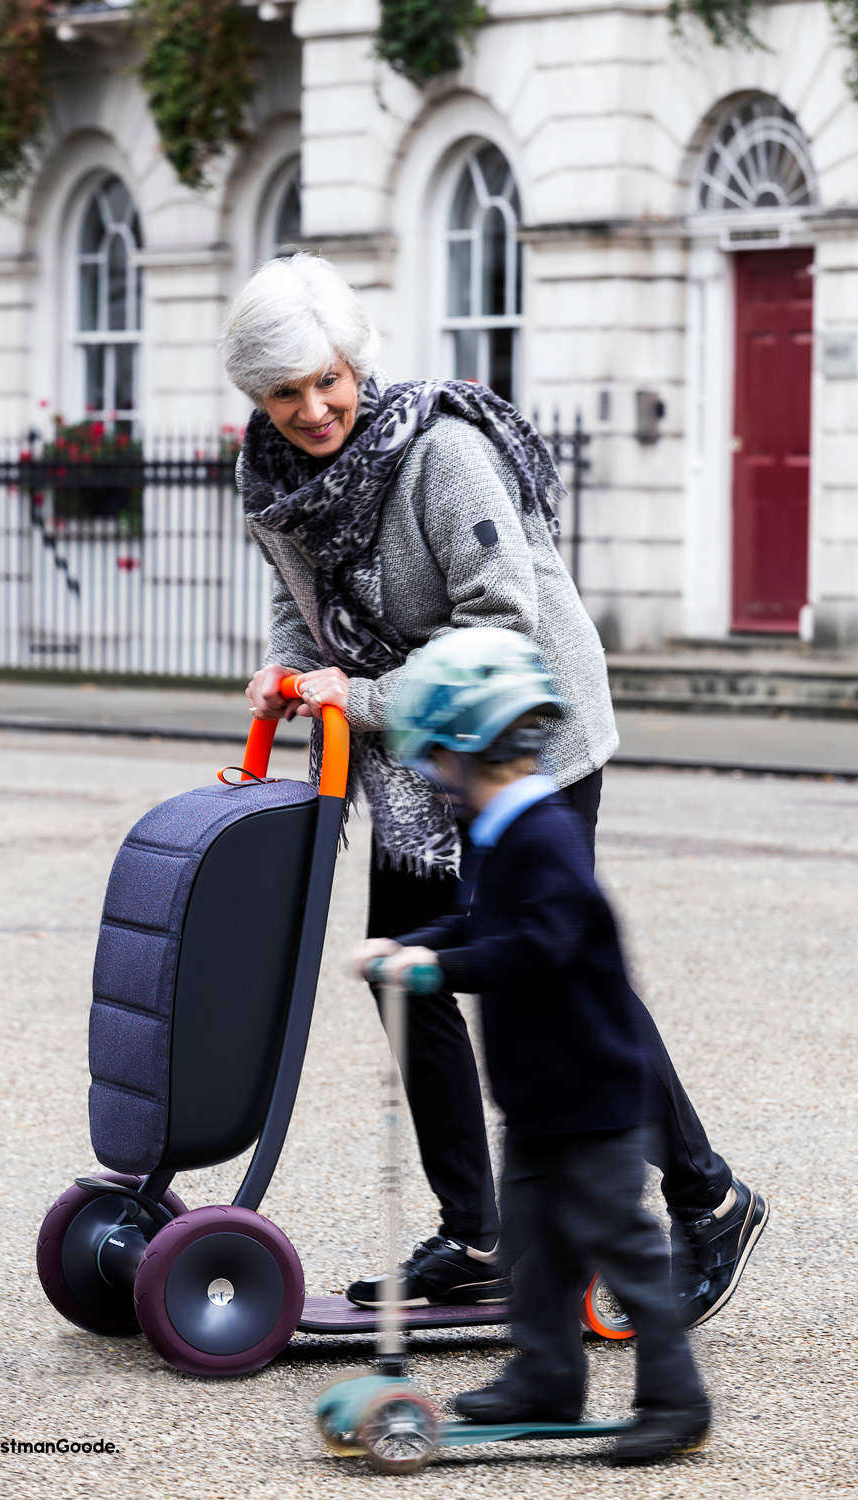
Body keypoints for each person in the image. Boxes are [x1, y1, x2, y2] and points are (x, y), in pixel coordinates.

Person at [220, 251, 768, 1326]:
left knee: (554, 970)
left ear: (353, 365)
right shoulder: (271, 475)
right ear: (257, 395)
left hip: (527, 731)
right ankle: (477, 1234)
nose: (313, 407)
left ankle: (708, 1197)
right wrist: (288, 675)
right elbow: (302, 604)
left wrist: (358, 697)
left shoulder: (443, 454)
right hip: (418, 755)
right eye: (286, 392)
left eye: (327, 379)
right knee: (406, 972)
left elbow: (502, 628)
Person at [352, 627, 711, 1465]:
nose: (434, 778)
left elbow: (538, 948)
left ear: (475, 750)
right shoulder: (498, 832)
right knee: (535, 1249)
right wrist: (408, 944)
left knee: (619, 1243)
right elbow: (478, 922)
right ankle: (547, 1374)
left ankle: (674, 1398)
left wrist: (436, 967)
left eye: (439, 759)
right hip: (540, 1097)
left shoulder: (544, 837)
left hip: (593, 1098)